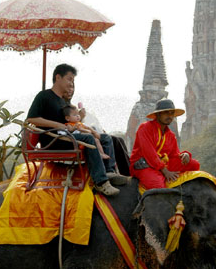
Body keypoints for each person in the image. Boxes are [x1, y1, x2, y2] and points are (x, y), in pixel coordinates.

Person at [26, 63, 120, 196]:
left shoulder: (64, 102)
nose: (71, 83)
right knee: (88, 138)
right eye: (69, 79)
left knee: (105, 138)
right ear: (58, 77)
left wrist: (79, 119)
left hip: (68, 135)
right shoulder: (44, 96)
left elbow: (70, 124)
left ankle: (109, 171)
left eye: (73, 81)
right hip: (54, 140)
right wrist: (57, 125)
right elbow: (31, 119)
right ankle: (100, 182)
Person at [129, 98, 200, 190]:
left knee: (194, 164)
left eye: (171, 113)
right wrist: (165, 171)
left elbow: (174, 154)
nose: (169, 116)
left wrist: (185, 155)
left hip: (163, 164)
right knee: (158, 185)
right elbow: (149, 153)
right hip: (145, 165)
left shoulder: (171, 135)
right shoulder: (145, 128)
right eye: (166, 113)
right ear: (158, 114)